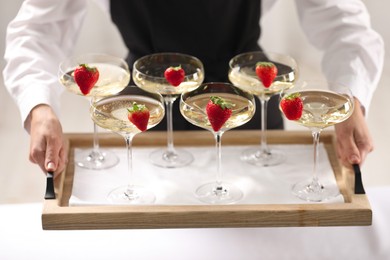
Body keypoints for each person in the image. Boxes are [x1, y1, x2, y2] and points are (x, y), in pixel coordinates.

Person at [3, 0, 384, 178]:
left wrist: (352, 100)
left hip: (248, 101)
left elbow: (344, 24)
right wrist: (39, 109)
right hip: (143, 107)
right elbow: (37, 30)